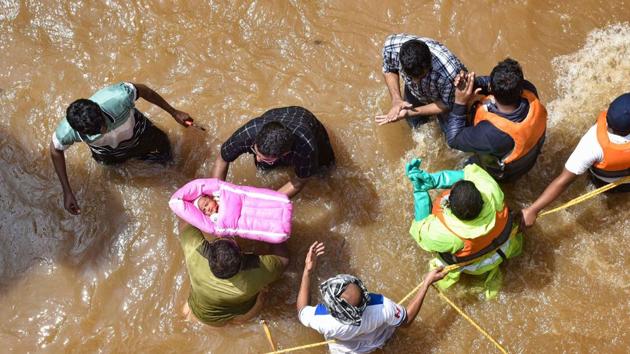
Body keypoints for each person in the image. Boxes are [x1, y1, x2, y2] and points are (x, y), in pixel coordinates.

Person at [50, 82, 193, 215]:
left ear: (99, 109)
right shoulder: (68, 132)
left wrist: (174, 112)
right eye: (96, 132)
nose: (104, 130)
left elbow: (144, 91)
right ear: (80, 131)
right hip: (108, 152)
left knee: (166, 153)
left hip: (140, 132)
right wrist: (67, 191)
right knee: (116, 169)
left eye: (102, 123)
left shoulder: (120, 97)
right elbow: (55, 150)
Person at [297, 242, 446, 353]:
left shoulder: (322, 320)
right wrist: (426, 283)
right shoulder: (382, 306)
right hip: (381, 341)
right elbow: (406, 320)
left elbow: (302, 310)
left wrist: (307, 271)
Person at [406, 159, 522, 298]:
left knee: (438, 265)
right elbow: (467, 174)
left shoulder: (447, 234)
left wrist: (420, 190)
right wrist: (432, 180)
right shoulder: (491, 190)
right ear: (481, 198)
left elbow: (420, 228)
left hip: (475, 268)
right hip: (505, 249)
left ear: (449, 206)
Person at [521, 93, 630, 227]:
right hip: (614, 185)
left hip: (608, 183)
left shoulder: (592, 143)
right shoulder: (592, 144)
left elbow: (563, 181)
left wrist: (532, 210)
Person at [445, 58, 548, 181]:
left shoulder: (490, 132)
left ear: (491, 90)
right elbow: (497, 84)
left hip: (505, 175)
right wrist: (472, 83)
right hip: (528, 159)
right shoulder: (529, 90)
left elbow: (453, 139)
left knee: (465, 164)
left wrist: (460, 102)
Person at [177, 221, 289, 326]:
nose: (227, 236)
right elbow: (283, 260)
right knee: (264, 290)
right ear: (242, 258)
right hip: (241, 316)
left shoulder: (195, 251)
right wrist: (275, 227)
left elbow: (185, 220)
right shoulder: (256, 272)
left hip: (199, 312)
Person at [211, 106, 335, 198]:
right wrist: (217, 195)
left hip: (308, 123)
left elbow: (300, 180)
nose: (257, 159)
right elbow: (222, 159)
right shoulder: (250, 132)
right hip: (276, 117)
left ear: (284, 155)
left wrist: (269, 201)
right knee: (263, 167)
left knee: (323, 172)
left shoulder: (307, 149)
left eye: (264, 158)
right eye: (255, 151)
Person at [376, 34, 466, 131]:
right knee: (414, 125)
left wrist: (413, 112)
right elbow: (389, 69)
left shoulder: (450, 74)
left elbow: (447, 103)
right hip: (415, 92)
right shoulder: (391, 48)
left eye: (421, 76)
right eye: (410, 76)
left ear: (430, 63)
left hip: (444, 95)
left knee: (452, 137)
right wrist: (396, 100)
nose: (415, 81)